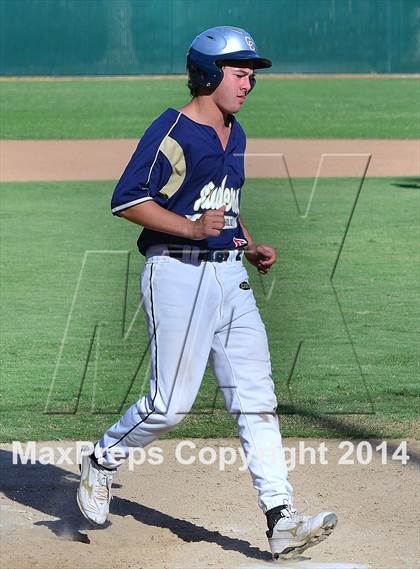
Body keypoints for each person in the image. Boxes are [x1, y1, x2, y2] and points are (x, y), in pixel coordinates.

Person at [77, 26, 337, 559]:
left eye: (250, 75)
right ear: (209, 75)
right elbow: (127, 201)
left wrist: (246, 241)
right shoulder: (172, 130)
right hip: (176, 273)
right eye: (240, 73)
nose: (248, 83)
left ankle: (281, 517)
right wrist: (195, 230)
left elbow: (221, 204)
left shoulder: (234, 133)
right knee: (170, 405)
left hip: (229, 280)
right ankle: (102, 459)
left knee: (256, 401)